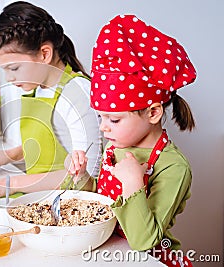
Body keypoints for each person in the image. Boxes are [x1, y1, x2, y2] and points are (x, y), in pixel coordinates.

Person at [67, 14, 196, 266]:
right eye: (101, 117)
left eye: (113, 119)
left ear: (153, 113)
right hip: (108, 252)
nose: (103, 127)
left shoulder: (173, 167)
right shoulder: (115, 146)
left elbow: (143, 241)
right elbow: (103, 203)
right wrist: (82, 177)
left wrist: (134, 182)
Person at [0, 1, 102, 201]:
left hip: (75, 205)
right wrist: (10, 155)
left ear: (44, 54)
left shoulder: (77, 93)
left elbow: (88, 178)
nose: (9, 79)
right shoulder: (37, 87)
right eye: (5, 70)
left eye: (14, 69)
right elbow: (50, 145)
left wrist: (12, 183)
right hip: (44, 199)